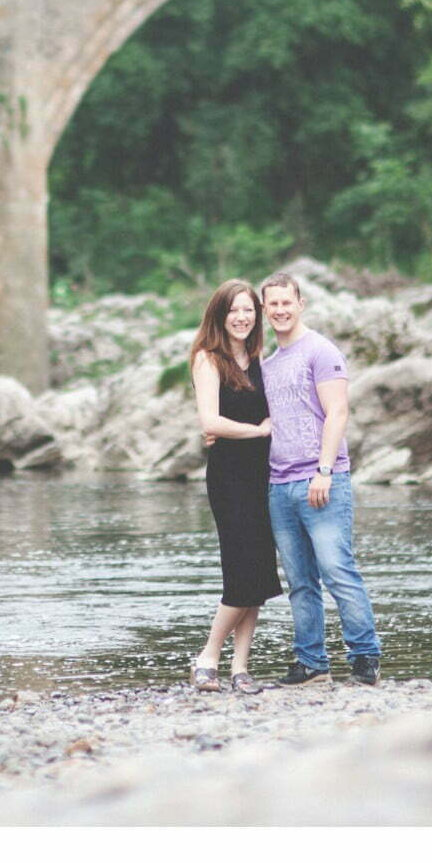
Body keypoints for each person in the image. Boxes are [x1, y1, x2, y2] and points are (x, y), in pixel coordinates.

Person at [258, 272, 382, 686]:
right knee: (299, 582)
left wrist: (324, 471)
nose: (279, 310)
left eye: (286, 302)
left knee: (337, 571)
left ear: (301, 303)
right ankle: (311, 662)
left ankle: (365, 657)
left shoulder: (321, 351)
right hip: (279, 486)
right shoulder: (268, 363)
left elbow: (339, 412)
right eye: (272, 304)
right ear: (264, 309)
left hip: (322, 481)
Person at [188, 279, 284, 695]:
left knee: (260, 571)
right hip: (229, 477)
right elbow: (210, 422)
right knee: (240, 569)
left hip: (266, 475)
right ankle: (208, 656)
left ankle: (241, 667)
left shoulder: (262, 360)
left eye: (249, 310)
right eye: (234, 311)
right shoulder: (208, 360)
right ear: (219, 316)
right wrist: (258, 431)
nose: (242, 318)